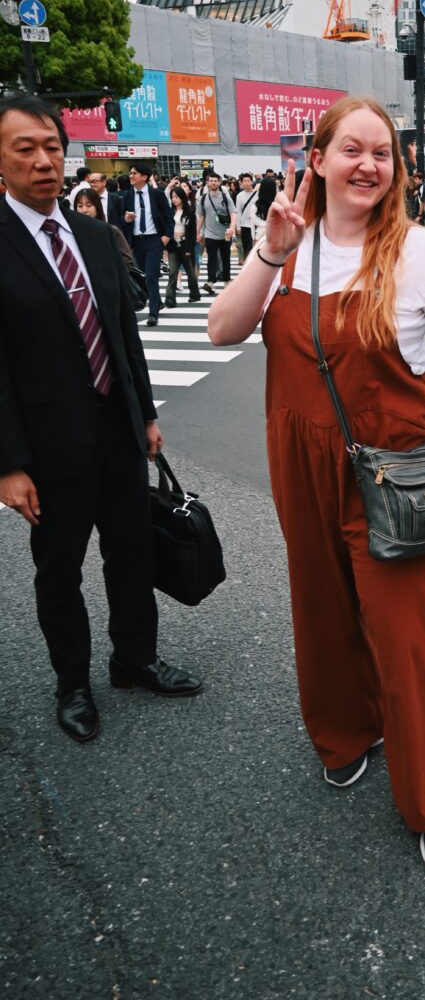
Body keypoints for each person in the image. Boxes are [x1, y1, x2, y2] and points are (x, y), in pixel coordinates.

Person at [208, 96, 425, 873]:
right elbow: (222, 329)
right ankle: (346, 730)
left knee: (409, 638)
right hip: (299, 459)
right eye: (352, 149)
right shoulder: (286, 243)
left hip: (392, 469)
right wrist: (268, 254)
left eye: (383, 153)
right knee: (322, 604)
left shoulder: (416, 250)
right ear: (318, 159)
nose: (369, 163)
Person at [0, 95, 201, 743]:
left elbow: (122, 334)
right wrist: (7, 465)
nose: (43, 161)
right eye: (25, 148)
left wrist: (144, 415)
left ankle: (134, 660)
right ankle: (74, 684)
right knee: (60, 570)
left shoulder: (91, 233)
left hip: (117, 430)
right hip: (48, 448)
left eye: (53, 147)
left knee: (132, 554)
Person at [122, 161, 174, 327]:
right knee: (144, 275)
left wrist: (166, 236)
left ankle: (153, 313)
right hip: (137, 241)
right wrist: (126, 219)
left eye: (134, 173)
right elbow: (123, 221)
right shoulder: (128, 195)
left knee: (151, 275)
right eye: (130, 173)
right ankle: (157, 301)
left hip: (154, 239)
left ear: (144, 177)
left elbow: (168, 216)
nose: (131, 176)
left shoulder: (156, 194)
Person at [74, 186, 134, 269]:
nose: (84, 210)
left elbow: (127, 261)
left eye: (89, 205)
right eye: (80, 206)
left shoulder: (111, 230)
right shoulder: (71, 233)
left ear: (97, 206)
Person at [197, 171, 237, 294]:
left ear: (219, 182)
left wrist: (232, 228)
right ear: (207, 182)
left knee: (226, 258)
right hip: (210, 234)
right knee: (211, 258)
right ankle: (210, 281)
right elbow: (201, 217)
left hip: (225, 233)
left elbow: (233, 213)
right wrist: (197, 232)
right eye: (211, 181)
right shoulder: (203, 198)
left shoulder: (225, 197)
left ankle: (226, 280)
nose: (213, 183)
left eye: (215, 181)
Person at [164, 184, 202, 306]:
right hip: (173, 245)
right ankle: (170, 298)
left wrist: (189, 248)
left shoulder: (189, 212)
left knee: (190, 273)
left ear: (182, 197)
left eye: (177, 197)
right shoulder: (169, 212)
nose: (174, 199)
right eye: (172, 197)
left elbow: (192, 232)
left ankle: (194, 294)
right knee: (173, 273)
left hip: (185, 244)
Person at [235, 172, 258, 261]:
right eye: (245, 181)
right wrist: (238, 227)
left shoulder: (257, 194)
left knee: (256, 245)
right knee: (246, 247)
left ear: (252, 182)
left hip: (256, 224)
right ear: (241, 183)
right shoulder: (240, 196)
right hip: (245, 225)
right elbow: (238, 211)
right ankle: (247, 263)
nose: (247, 183)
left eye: (249, 181)